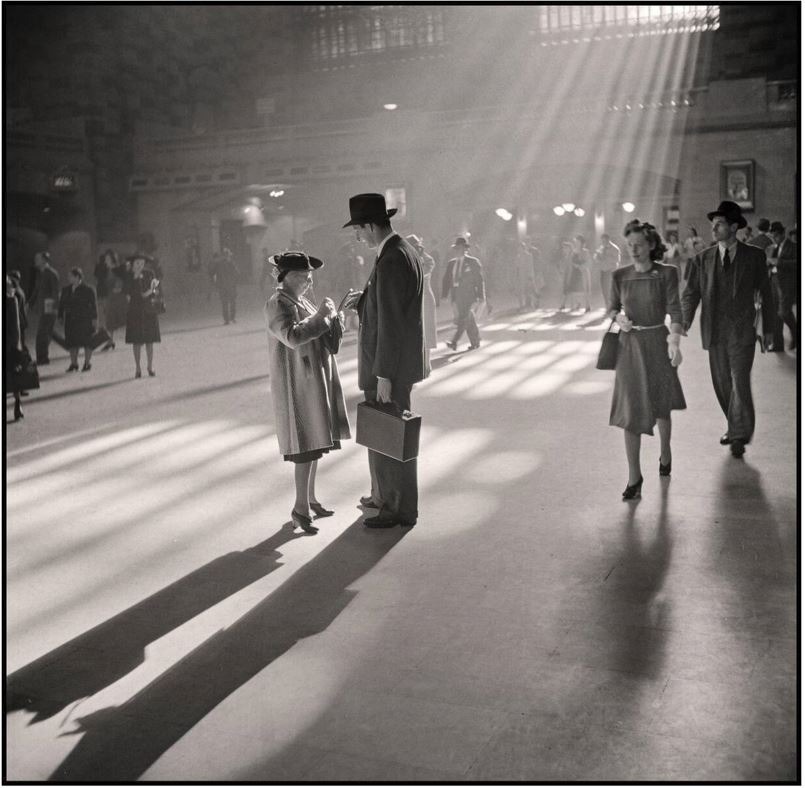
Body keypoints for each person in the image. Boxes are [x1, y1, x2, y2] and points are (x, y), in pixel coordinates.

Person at [342, 192, 428, 528]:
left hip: (389, 366)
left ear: (371, 225)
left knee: (392, 433)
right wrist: (363, 301)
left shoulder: (392, 259)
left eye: (358, 229)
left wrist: (384, 374)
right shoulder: (398, 251)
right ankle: (382, 495)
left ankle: (397, 508)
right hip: (391, 363)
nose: (357, 236)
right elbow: (390, 307)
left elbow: (392, 321)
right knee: (382, 432)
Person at [265, 251, 351, 535]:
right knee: (304, 447)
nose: (308, 281)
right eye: (302, 276)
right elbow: (292, 336)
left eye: (309, 276)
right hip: (296, 385)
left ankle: (310, 499)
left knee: (314, 444)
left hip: (311, 380)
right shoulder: (277, 303)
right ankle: (299, 508)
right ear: (285, 276)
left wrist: (333, 318)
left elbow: (318, 327)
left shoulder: (298, 300)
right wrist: (323, 316)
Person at [681, 201, 774, 458]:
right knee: (722, 384)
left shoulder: (754, 256)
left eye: (719, 224)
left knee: (739, 382)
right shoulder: (702, 259)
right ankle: (735, 426)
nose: (714, 228)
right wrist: (684, 321)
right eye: (713, 224)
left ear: (734, 227)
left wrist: (769, 330)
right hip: (714, 331)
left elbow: (766, 293)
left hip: (742, 331)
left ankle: (739, 435)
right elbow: (690, 293)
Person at [607, 220, 686, 500]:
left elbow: (676, 311)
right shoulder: (620, 275)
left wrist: (674, 340)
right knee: (630, 412)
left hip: (658, 343)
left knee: (661, 404)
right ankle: (634, 476)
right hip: (629, 348)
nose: (634, 249)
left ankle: (665, 451)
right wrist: (620, 319)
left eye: (639, 244)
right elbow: (612, 307)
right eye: (630, 245)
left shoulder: (667, 273)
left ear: (652, 244)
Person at [441, 236, 485, 350]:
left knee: (463, 319)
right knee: (468, 318)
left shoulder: (473, 262)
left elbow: (479, 280)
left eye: (460, 248)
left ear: (465, 249)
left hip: (469, 295)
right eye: (456, 249)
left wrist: (481, 296)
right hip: (456, 295)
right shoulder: (451, 263)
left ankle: (454, 341)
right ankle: (476, 340)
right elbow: (446, 279)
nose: (457, 251)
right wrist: (445, 295)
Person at [124, 254, 161, 378]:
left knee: (150, 341)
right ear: (133, 264)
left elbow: (156, 289)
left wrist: (150, 292)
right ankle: (138, 368)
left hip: (148, 311)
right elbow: (127, 294)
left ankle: (150, 366)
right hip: (135, 311)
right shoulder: (129, 276)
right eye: (137, 263)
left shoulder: (150, 273)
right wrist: (135, 279)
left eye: (142, 263)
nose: (140, 265)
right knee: (137, 341)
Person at [58, 267, 98, 372]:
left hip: (84, 320)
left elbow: (93, 305)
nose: (68, 278)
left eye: (70, 276)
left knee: (87, 342)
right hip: (70, 320)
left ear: (77, 277)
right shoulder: (66, 290)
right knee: (72, 342)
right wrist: (60, 316)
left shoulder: (88, 290)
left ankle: (87, 363)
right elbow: (61, 304)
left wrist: (94, 319)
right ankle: (74, 363)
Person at [406, 234, 438, 362]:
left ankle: (427, 361)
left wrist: (420, 256)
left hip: (425, 299)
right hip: (410, 300)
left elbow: (423, 272)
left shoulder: (427, 259)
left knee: (427, 330)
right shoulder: (406, 259)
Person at [768, 221, 798, 351]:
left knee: (784, 312)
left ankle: (797, 334)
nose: (775, 238)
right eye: (773, 236)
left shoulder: (793, 246)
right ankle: (778, 344)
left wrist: (778, 262)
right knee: (775, 313)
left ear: (782, 234)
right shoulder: (774, 247)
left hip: (787, 284)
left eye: (776, 236)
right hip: (774, 282)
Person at [29, 251, 61, 365]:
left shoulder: (51, 273)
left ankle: (42, 358)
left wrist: (54, 308)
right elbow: (37, 290)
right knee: (47, 332)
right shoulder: (40, 274)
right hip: (42, 308)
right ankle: (43, 357)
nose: (35, 260)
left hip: (49, 309)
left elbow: (55, 292)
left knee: (42, 333)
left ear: (44, 260)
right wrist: (30, 303)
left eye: (37, 258)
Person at [5, 275, 26, 421]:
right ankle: (18, 405)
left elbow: (16, 326)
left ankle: (18, 404)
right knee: (13, 375)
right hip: (9, 344)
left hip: (8, 345)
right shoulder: (11, 300)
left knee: (13, 375)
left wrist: (16, 345)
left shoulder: (11, 300)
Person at [563, 234, 592, 312]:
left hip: (583, 271)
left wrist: (580, 266)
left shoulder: (585, 251)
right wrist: (573, 265)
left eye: (578, 241)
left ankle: (587, 305)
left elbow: (588, 262)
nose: (577, 243)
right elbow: (570, 261)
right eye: (576, 241)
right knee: (574, 289)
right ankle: (575, 304)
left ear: (581, 242)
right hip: (575, 272)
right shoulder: (573, 251)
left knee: (585, 289)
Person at [212, 247, 239, 324]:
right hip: (231, 286)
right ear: (228, 255)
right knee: (232, 302)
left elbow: (214, 274)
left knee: (224, 303)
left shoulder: (218, 264)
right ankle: (232, 318)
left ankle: (226, 319)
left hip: (222, 286)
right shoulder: (231, 263)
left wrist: (217, 284)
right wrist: (234, 282)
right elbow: (237, 273)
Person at [594, 233, 622, 307]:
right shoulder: (601, 247)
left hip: (611, 271)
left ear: (608, 240)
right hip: (603, 271)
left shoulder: (615, 248)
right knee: (604, 288)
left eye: (605, 241)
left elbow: (617, 260)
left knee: (611, 288)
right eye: (602, 241)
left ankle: (614, 305)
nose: (603, 242)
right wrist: (597, 258)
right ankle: (607, 304)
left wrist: (606, 258)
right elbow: (596, 257)